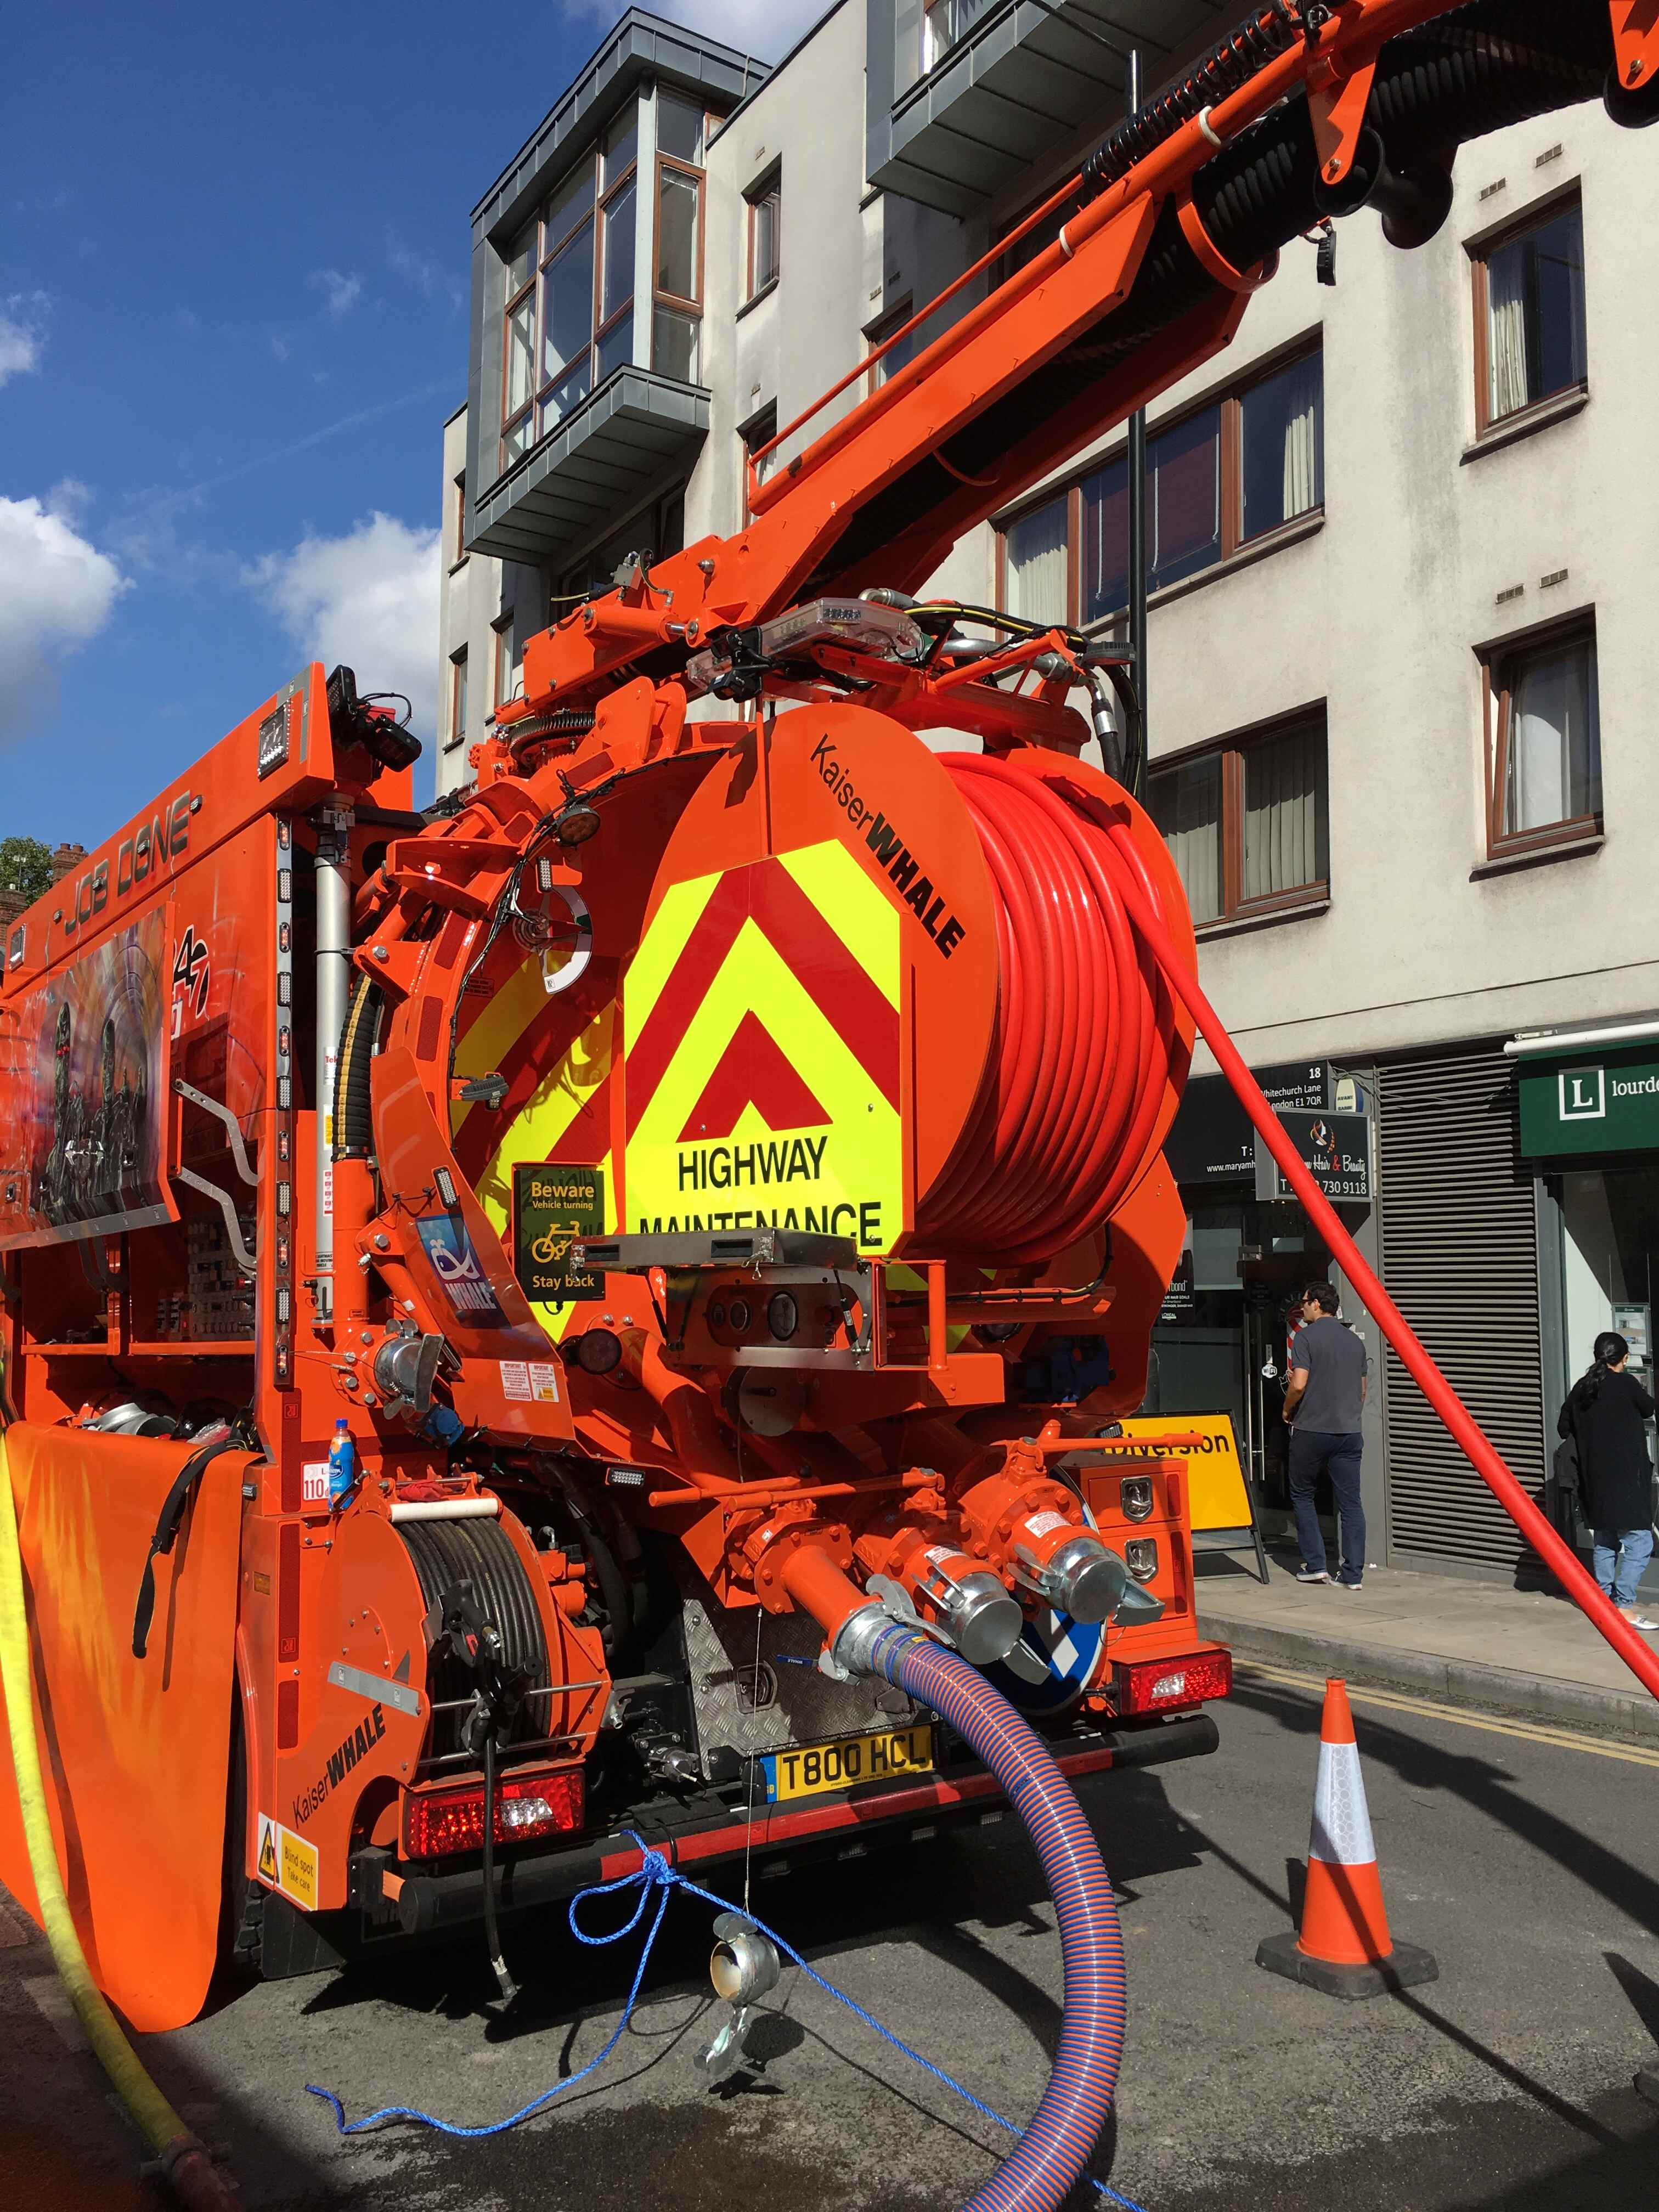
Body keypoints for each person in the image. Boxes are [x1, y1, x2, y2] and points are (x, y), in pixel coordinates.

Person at [1556, 1331, 1657, 1630]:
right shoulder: (1625, 1383)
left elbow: (1564, 1427)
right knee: (1640, 1543)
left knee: (1605, 1540)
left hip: (1594, 1480)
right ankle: (1623, 1606)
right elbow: (1648, 1407)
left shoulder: (1583, 1387)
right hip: (1626, 1480)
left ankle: (1602, 1603)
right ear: (1624, 1358)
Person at [1282, 1280, 1369, 1589]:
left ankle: (1316, 1565)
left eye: (1304, 1302)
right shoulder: (1355, 1342)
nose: (1302, 1307)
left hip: (1312, 1429)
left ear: (1317, 1304)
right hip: (1348, 1432)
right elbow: (1361, 1391)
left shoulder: (1305, 1337)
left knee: (1303, 1495)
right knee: (1351, 1502)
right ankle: (1353, 1575)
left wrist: (1287, 1407)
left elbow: (1300, 1384)